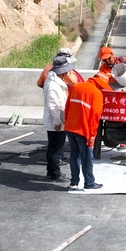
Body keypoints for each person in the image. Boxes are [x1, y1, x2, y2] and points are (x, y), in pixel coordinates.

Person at [63, 70, 111, 190]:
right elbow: (95, 117)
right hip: (83, 131)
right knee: (87, 158)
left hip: (70, 127)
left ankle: (74, 182)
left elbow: (67, 107)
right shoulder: (96, 93)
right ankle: (89, 183)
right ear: (100, 84)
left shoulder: (76, 87)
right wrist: (92, 135)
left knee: (74, 155)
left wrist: (67, 123)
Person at [42, 54, 78, 182]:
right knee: (56, 149)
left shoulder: (53, 80)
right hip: (55, 122)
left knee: (53, 147)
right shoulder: (53, 85)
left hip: (57, 119)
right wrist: (57, 122)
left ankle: (51, 171)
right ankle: (55, 174)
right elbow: (53, 106)